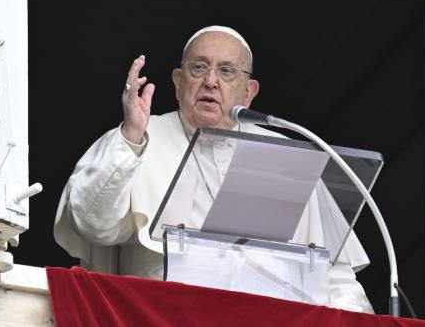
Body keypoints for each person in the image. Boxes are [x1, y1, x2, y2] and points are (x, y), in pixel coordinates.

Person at [54, 26, 374, 313]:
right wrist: (130, 139)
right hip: (163, 317)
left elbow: (335, 277)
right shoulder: (138, 135)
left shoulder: (285, 155)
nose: (210, 81)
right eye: (199, 67)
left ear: (248, 92)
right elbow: (92, 225)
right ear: (178, 82)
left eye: (227, 71)